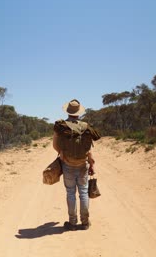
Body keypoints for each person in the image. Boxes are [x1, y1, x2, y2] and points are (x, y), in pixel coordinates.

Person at [53, 99, 99, 231]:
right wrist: (91, 163)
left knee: (70, 193)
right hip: (82, 164)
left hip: (68, 164)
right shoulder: (85, 127)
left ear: (68, 111)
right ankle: (85, 223)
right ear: (79, 112)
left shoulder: (61, 127)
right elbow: (88, 148)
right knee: (83, 192)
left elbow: (55, 145)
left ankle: (72, 223)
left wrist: (61, 153)